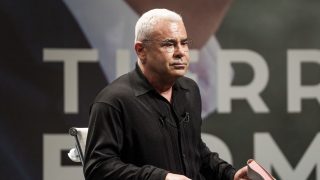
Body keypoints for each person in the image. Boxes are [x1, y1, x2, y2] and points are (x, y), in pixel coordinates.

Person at [84, 8, 248, 180]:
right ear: (141, 50)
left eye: (184, 43)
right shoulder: (113, 100)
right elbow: (98, 168)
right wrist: (162, 178)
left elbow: (195, 152)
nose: (180, 52)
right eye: (169, 44)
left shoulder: (189, 90)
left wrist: (230, 174)